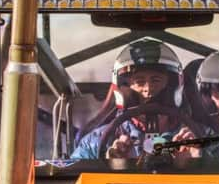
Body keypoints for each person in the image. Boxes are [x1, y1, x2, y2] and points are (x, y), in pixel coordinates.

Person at [71, 37, 206, 159]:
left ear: (172, 86)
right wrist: (108, 165)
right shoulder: (97, 141)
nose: (148, 88)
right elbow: (71, 179)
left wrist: (198, 162)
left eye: (156, 80)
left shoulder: (199, 137)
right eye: (139, 81)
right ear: (124, 90)